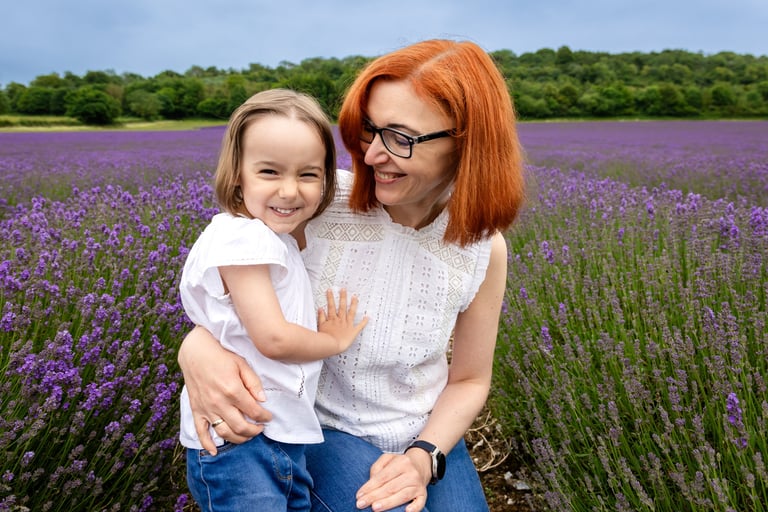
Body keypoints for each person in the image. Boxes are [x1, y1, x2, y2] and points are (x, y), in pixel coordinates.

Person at [178, 39, 525, 512]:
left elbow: (468, 379)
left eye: (400, 137)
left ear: (467, 142)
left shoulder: (483, 247)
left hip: (428, 434)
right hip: (320, 430)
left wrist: (423, 457)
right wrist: (196, 346)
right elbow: (225, 271)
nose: (371, 155)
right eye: (368, 130)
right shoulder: (316, 202)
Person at [178, 88, 368, 511]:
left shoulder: (272, 239)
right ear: (237, 177)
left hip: (277, 432)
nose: (289, 190)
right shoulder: (244, 239)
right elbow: (273, 339)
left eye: (308, 174)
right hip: (240, 442)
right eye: (269, 172)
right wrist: (333, 341)